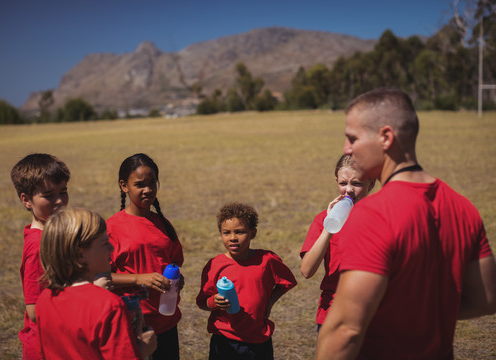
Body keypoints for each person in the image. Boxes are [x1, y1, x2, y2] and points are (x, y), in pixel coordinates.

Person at [315, 88, 496, 360]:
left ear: (386, 137)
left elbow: (346, 329)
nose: (346, 149)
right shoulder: (463, 207)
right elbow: (486, 299)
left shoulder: (371, 214)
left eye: (352, 138)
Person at [35, 207, 157, 359]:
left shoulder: (45, 299)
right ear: (80, 255)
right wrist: (142, 350)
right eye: (105, 244)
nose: (111, 248)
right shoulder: (109, 305)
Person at [107, 153, 184, 360]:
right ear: (124, 186)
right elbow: (100, 278)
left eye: (152, 183)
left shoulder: (164, 225)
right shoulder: (111, 228)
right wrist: (140, 278)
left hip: (166, 321)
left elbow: (174, 263)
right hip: (131, 322)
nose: (148, 190)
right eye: (140, 184)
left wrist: (178, 279)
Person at [196, 202, 297, 360]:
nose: (233, 238)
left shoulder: (267, 260)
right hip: (224, 339)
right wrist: (214, 302)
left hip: (258, 339)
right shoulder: (214, 265)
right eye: (226, 233)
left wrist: (269, 303)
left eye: (239, 232)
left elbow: (287, 283)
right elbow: (202, 302)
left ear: (253, 233)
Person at [300, 154, 374, 333]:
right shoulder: (322, 221)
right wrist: (329, 227)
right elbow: (307, 271)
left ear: (371, 184)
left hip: (370, 314)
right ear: (336, 182)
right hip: (331, 314)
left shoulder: (378, 219)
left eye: (356, 183)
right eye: (343, 183)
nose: (348, 190)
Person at [10, 153, 70, 360]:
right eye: (48, 195)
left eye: (63, 191)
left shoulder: (51, 235)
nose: (60, 200)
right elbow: (35, 310)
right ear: (26, 200)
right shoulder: (38, 246)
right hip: (45, 348)